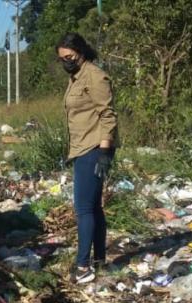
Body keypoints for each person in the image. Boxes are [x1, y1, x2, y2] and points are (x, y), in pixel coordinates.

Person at [56, 32, 118, 284]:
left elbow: (108, 115)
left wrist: (104, 151)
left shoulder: (94, 75)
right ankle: (99, 261)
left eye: (70, 57)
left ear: (81, 51)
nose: (67, 62)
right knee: (93, 207)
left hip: (93, 148)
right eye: (62, 59)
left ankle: (82, 266)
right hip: (82, 146)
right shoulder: (76, 77)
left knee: (83, 209)